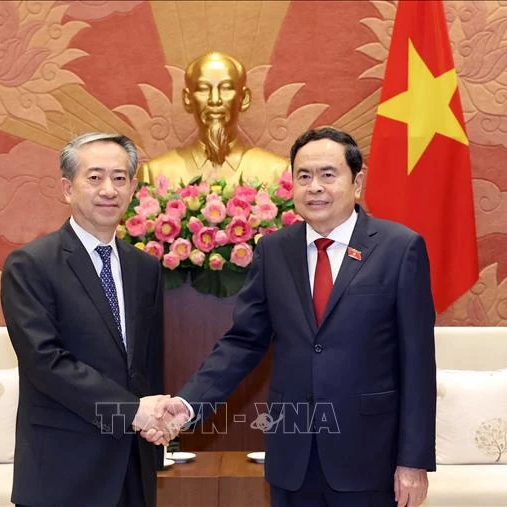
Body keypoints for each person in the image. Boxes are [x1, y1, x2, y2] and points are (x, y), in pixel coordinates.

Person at [158, 127, 437, 506]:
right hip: (293, 458)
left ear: (357, 182)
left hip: (369, 456)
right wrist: (189, 403)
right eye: (304, 176)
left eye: (328, 174)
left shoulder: (399, 248)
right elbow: (244, 341)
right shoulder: (275, 250)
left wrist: (412, 462)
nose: (315, 187)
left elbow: (418, 364)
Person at [1, 132, 168, 507]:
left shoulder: (145, 268)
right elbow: (44, 361)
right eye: (94, 178)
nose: (108, 189)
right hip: (63, 468)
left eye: (120, 178)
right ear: (67, 188)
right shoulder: (31, 265)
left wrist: (156, 434)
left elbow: (147, 363)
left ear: (132, 188)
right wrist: (133, 412)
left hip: (132, 466)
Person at [137, 51, 289, 188]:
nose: (214, 100)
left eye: (226, 88)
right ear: (187, 99)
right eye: (203, 89)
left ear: (244, 98)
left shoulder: (279, 173)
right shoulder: (155, 174)